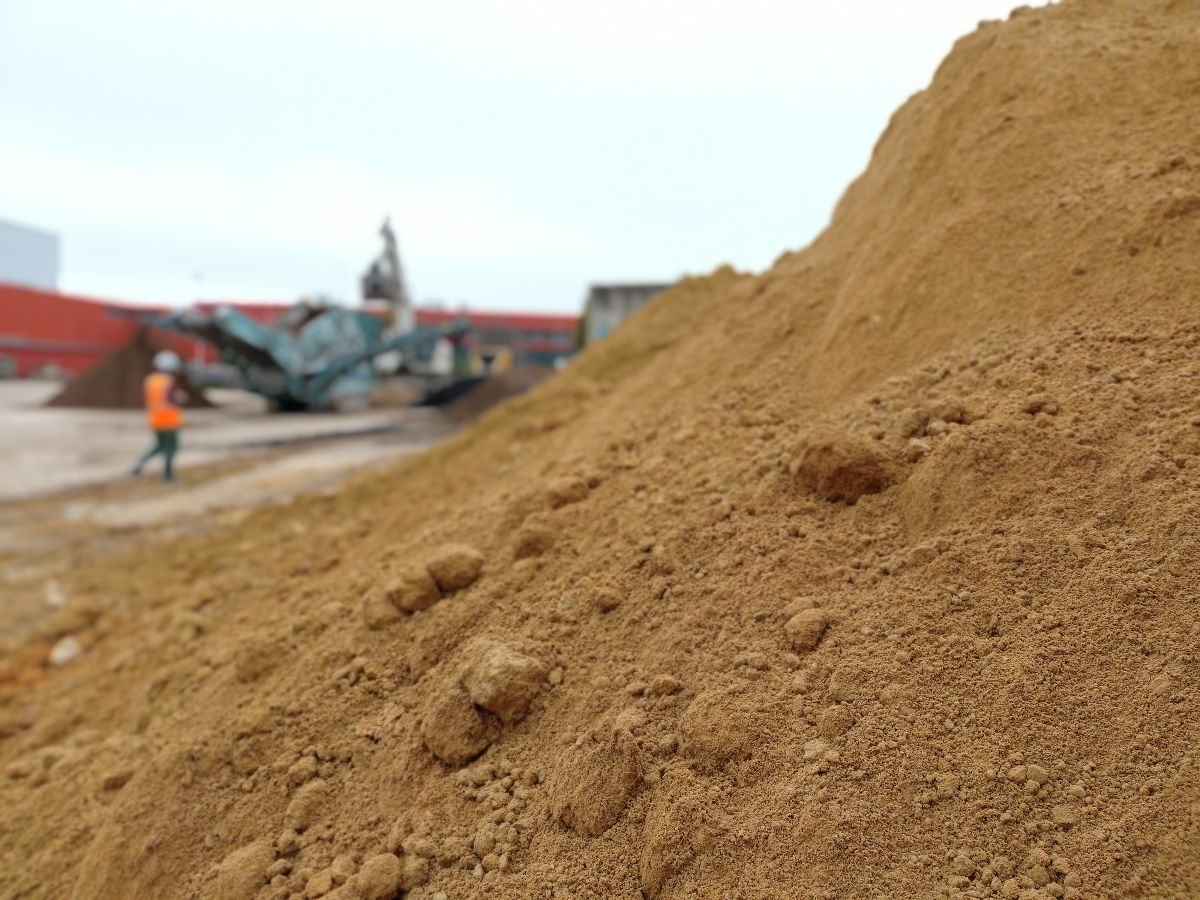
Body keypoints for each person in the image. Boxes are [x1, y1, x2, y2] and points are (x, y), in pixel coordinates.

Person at [131, 350, 186, 483]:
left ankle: (139, 465)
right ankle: (168, 476)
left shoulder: (150, 380)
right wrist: (180, 398)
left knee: (158, 446)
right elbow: (171, 398)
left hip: (155, 419)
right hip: (169, 420)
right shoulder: (169, 381)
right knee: (170, 448)